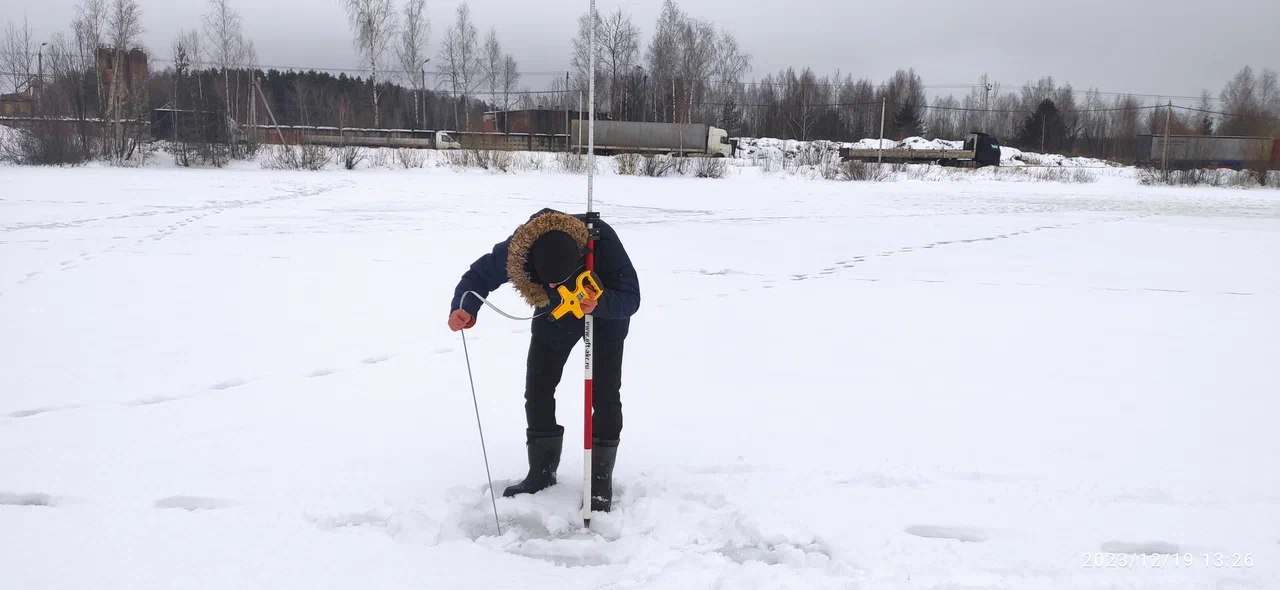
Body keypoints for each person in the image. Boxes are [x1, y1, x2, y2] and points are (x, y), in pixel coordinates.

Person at [448, 208, 640, 512]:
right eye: (547, 281)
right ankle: (541, 472)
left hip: (604, 313)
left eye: (559, 280)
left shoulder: (601, 240)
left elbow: (631, 297)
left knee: (605, 394)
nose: (553, 286)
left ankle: (599, 481)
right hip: (555, 313)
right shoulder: (520, 247)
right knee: (538, 386)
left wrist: (600, 303)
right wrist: (464, 309)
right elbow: (478, 277)